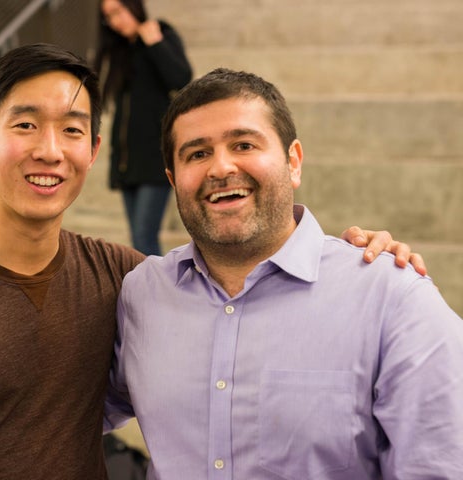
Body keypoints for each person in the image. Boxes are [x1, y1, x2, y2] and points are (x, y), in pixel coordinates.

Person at [0, 43, 424, 480]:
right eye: (26, 125)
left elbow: (230, 292)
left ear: (92, 151)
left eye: (72, 130)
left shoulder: (130, 281)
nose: (49, 150)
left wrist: (355, 254)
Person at [106, 68, 463, 478]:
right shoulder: (142, 294)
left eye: (243, 144)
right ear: (173, 180)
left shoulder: (391, 297)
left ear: (293, 162)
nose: (220, 168)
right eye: (197, 154)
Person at [94, 0, 192, 255]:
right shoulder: (121, 51)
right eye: (109, 17)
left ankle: (157, 293)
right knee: (139, 239)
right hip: (128, 161)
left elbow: (181, 79)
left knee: (144, 236)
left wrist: (155, 43)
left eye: (118, 11)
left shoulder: (160, 33)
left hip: (155, 158)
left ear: (133, 6)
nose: (115, 21)